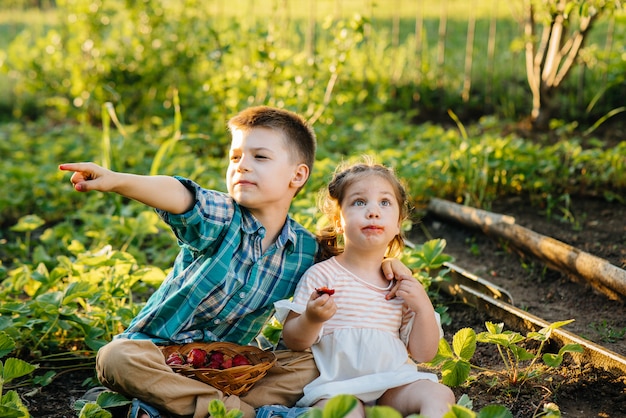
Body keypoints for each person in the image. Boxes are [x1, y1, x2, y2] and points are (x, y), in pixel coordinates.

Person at [59, 106, 412, 418]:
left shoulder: (306, 250)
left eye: (260, 157)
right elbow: (181, 195)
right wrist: (118, 181)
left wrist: (391, 265)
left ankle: (171, 406)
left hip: (231, 368)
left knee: (312, 365)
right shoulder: (222, 217)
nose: (242, 165)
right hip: (158, 356)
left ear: (298, 175)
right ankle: (241, 414)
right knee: (114, 358)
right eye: (235, 157)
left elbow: (352, 261)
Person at [276, 157, 456, 418]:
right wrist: (312, 318)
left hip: (392, 384)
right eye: (359, 202)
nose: (373, 211)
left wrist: (424, 307)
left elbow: (423, 353)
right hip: (337, 388)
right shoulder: (322, 275)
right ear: (338, 220)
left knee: (440, 394)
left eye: (385, 203)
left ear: (397, 223)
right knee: (345, 413)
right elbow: (293, 340)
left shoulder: (401, 283)